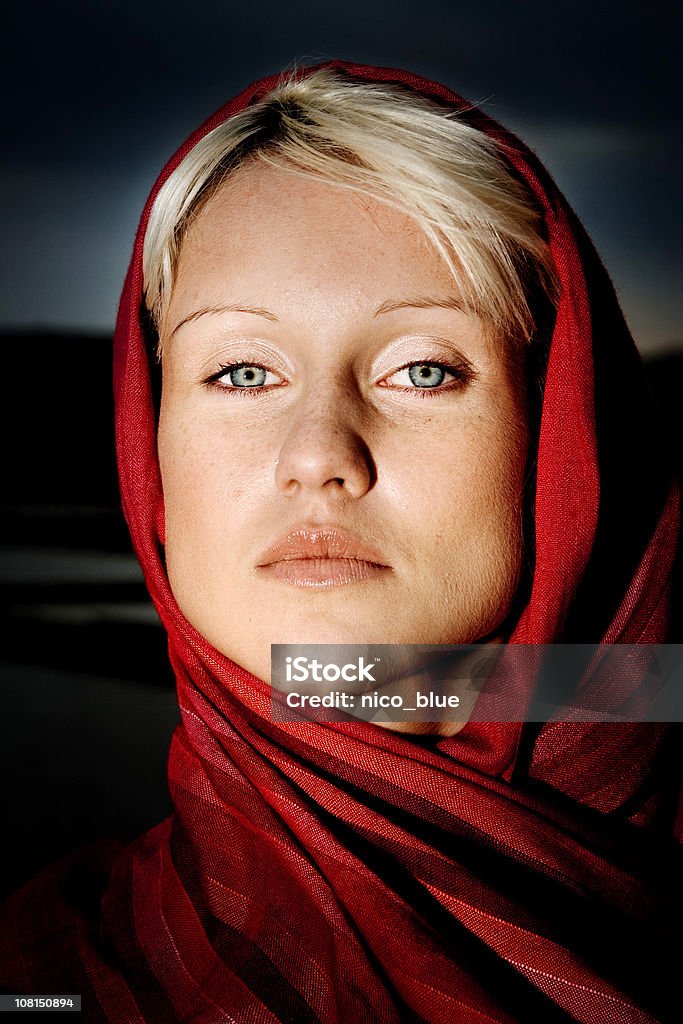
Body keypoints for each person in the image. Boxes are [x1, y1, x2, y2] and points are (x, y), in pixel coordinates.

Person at [0, 59, 680, 1023]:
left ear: (561, 428)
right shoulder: (41, 977)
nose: (318, 456)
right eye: (240, 372)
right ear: (146, 438)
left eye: (424, 372)